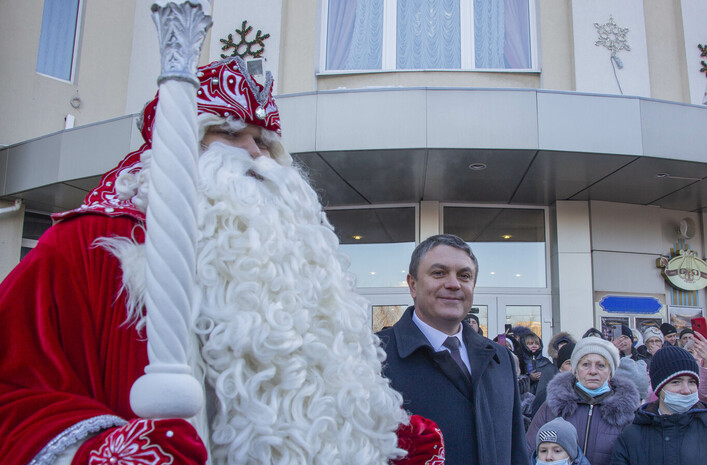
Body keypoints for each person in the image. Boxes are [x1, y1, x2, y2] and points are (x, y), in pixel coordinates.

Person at [0, 58, 408, 464]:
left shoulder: (294, 256)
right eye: (231, 133)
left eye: (265, 141)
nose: (255, 152)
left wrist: (378, 434)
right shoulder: (93, 241)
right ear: (181, 143)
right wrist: (102, 452)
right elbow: (13, 386)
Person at [378, 234, 528, 465]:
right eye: (439, 273)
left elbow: (516, 451)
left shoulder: (501, 359)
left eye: (464, 276)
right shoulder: (372, 358)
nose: (454, 284)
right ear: (412, 285)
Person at [609, 345, 707, 465]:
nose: (686, 390)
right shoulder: (631, 436)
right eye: (676, 382)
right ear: (659, 388)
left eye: (691, 382)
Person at [526, 337, 638, 465]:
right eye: (586, 364)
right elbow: (529, 451)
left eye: (601, 365)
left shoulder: (626, 412)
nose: (593, 371)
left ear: (610, 372)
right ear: (576, 370)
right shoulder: (552, 407)